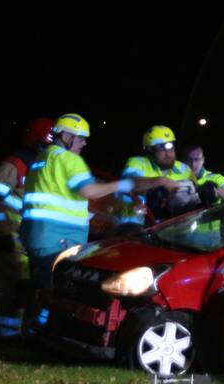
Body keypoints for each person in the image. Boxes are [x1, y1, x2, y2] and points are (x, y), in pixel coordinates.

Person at [20, 114, 173, 294]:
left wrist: (101, 216)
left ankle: (33, 319)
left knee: (42, 289)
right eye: (82, 138)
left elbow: (60, 198)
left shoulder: (43, 158)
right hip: (59, 238)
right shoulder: (69, 159)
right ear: (67, 136)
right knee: (60, 293)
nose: (84, 143)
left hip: (36, 235)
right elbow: (89, 191)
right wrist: (125, 184)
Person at [0, 117, 53, 337]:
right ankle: (7, 336)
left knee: (35, 289)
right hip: (13, 237)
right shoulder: (14, 164)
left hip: (34, 238)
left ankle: (29, 335)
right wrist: (3, 232)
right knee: (17, 287)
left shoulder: (45, 167)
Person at [115, 125, 196, 226]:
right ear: (149, 150)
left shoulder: (184, 169)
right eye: (161, 148)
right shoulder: (138, 163)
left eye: (170, 146)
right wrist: (161, 181)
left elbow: (195, 195)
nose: (168, 153)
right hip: (132, 229)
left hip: (170, 230)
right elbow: (129, 183)